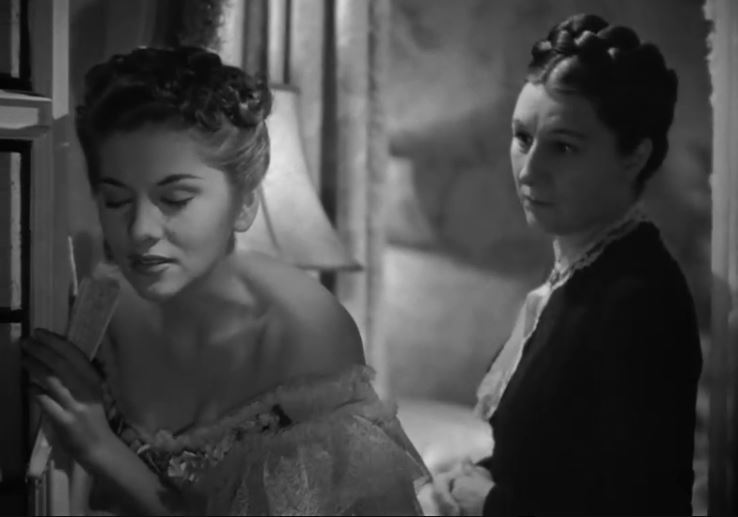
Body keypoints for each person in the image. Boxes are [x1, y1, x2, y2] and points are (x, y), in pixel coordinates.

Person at [21, 46, 429, 515]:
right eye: (116, 201)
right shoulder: (99, 307)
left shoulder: (307, 337)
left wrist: (103, 450)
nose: (139, 231)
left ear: (246, 203)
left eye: (175, 199)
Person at [430, 13, 702, 516]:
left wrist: (489, 502)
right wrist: (478, 476)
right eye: (522, 137)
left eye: (564, 147)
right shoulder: (581, 272)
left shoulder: (638, 299)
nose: (530, 171)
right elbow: (564, 462)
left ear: (634, 156)